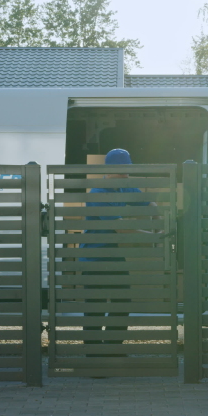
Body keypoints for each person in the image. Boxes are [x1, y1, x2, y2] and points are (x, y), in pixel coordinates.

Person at [79, 148, 154, 355]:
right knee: (95, 307)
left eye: (127, 171)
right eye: (121, 172)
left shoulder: (124, 188)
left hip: (112, 253)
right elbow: (121, 227)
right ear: (109, 171)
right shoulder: (98, 193)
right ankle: (94, 356)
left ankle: (112, 349)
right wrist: (150, 235)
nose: (125, 175)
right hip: (93, 258)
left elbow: (147, 202)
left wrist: (157, 218)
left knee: (122, 301)